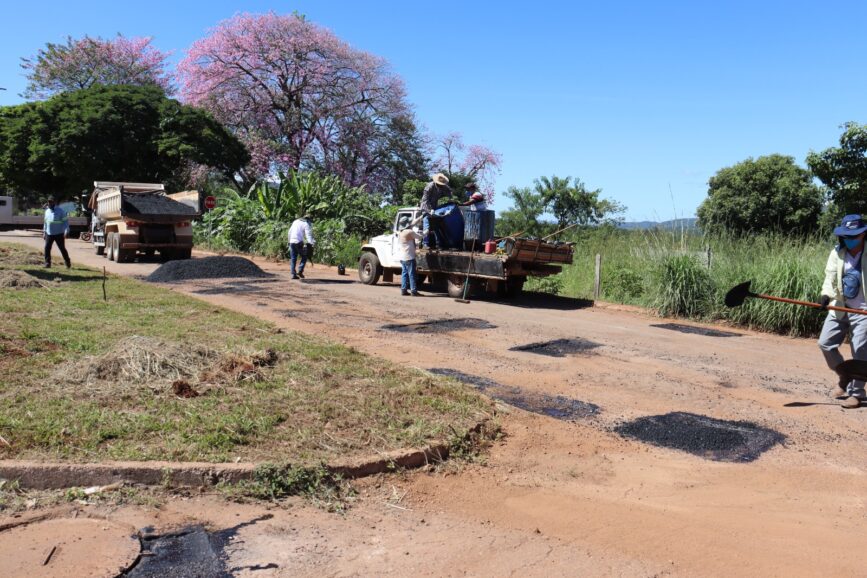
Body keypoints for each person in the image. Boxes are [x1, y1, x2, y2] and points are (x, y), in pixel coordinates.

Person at [819, 214, 867, 408]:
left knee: (860, 350)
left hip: (864, 311)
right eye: (847, 236)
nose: (850, 239)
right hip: (839, 307)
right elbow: (829, 278)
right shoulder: (837, 252)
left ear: (863, 234)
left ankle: (857, 393)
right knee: (825, 343)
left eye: (854, 235)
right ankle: (844, 376)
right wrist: (825, 295)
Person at [420, 173, 452, 248]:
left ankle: (439, 243)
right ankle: (425, 243)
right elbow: (425, 201)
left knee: (436, 225)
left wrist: (450, 201)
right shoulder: (429, 186)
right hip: (426, 208)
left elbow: (450, 193)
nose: (441, 186)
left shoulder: (444, 186)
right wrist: (429, 210)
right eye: (439, 184)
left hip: (435, 208)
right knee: (427, 225)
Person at [397, 219, 426, 296]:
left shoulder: (401, 232)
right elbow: (420, 237)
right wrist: (426, 232)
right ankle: (413, 290)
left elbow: (412, 224)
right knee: (412, 274)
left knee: (404, 274)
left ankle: (403, 290)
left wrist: (420, 217)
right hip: (409, 257)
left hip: (402, 257)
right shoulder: (409, 232)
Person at [43, 197, 71, 269]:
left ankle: (67, 262)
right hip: (49, 233)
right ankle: (47, 263)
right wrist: (44, 232)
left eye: (51, 202)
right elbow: (45, 223)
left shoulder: (60, 211)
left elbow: (65, 222)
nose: (49, 203)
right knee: (47, 248)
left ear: (54, 203)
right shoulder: (47, 211)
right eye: (48, 202)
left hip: (59, 234)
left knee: (62, 248)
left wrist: (66, 230)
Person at [288, 214, 315, 280]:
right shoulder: (306, 224)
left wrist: (289, 241)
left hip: (292, 241)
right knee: (304, 256)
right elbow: (308, 235)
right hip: (298, 242)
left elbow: (289, 232)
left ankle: (293, 274)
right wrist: (311, 244)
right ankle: (300, 270)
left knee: (293, 258)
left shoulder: (295, 221)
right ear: (308, 219)